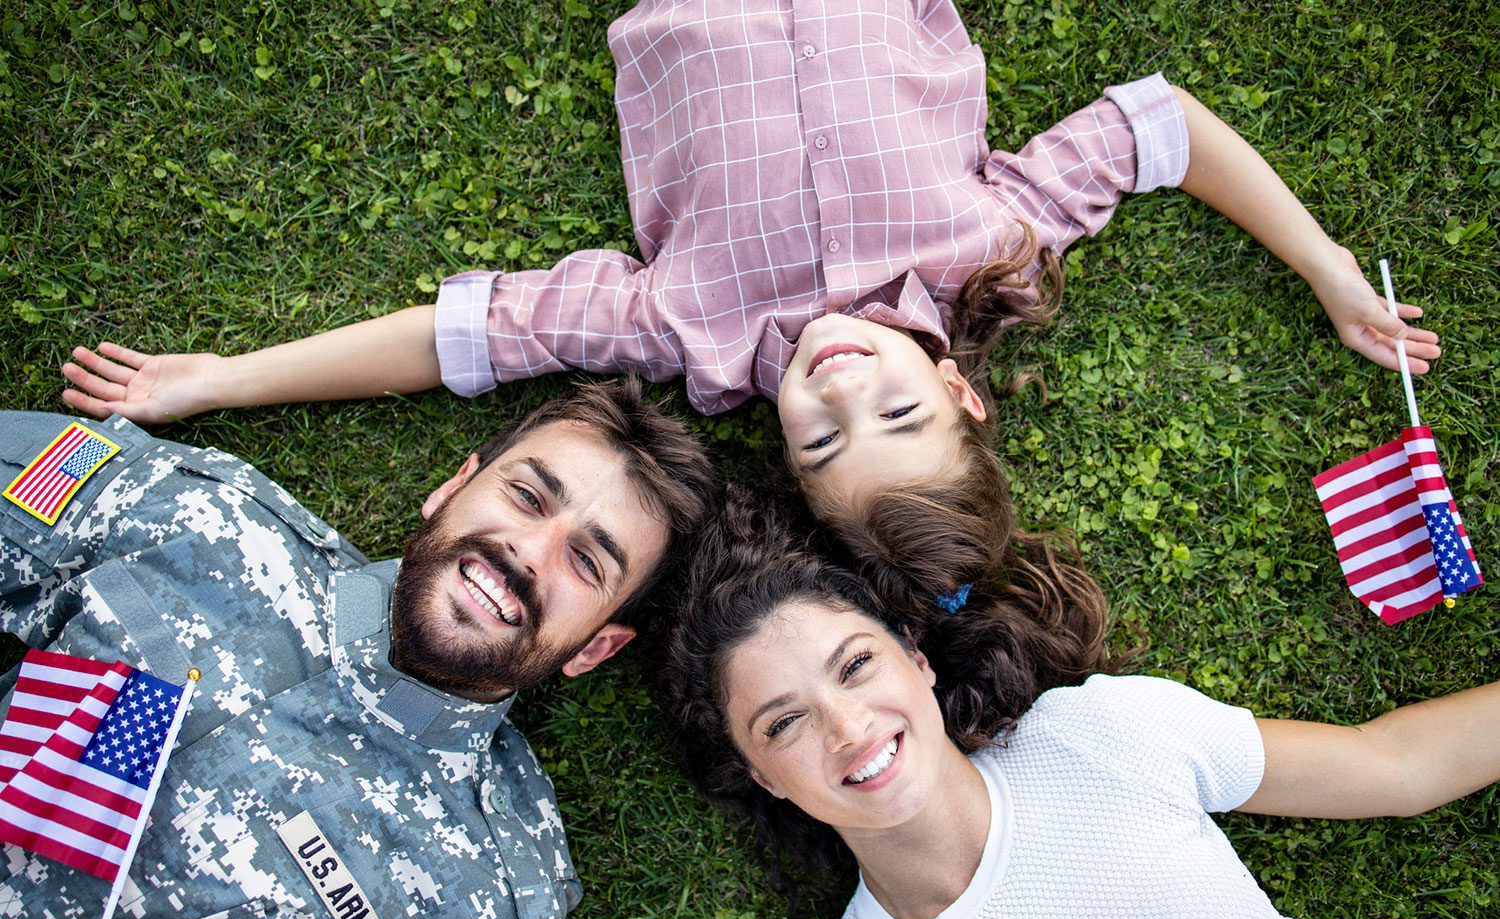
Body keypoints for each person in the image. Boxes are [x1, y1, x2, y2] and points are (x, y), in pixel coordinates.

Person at [55, 0, 1440, 608]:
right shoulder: (985, 245)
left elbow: (459, 341)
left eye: (821, 437)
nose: (838, 383)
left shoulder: (685, 334)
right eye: (890, 405)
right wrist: (1325, 269)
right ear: (958, 387)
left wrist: (219, 380)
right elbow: (1161, 129)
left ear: (778, 454)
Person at [0, 378, 715, 919]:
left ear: (594, 647)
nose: (529, 552)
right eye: (527, 496)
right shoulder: (200, 516)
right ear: (451, 489)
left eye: (587, 562)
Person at [655, 496, 1500, 919]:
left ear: (915, 659)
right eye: (783, 723)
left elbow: (1398, 766)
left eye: (855, 665)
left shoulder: (1099, 737)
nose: (847, 727)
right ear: (759, 776)